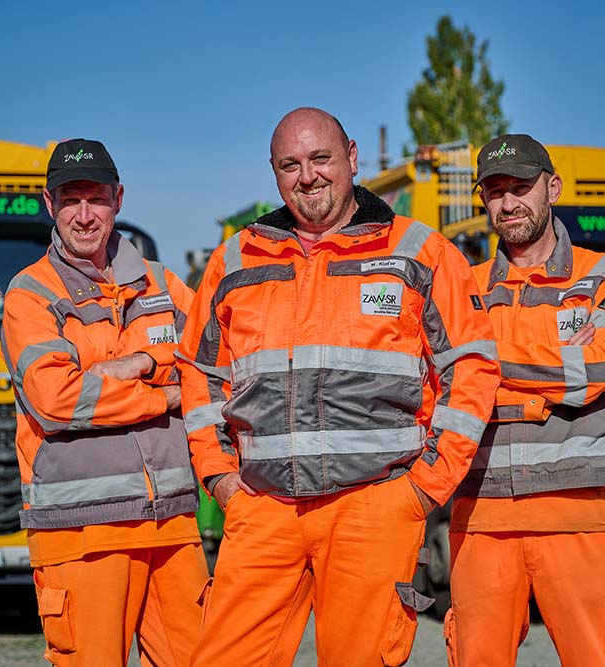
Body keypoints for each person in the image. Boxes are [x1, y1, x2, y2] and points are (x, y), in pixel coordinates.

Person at [177, 107, 500, 666]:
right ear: (274, 173)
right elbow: (201, 374)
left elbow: (469, 367)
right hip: (262, 509)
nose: (308, 176)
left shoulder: (419, 254)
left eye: (321, 158)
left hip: (374, 507)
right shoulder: (234, 260)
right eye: (290, 165)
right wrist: (221, 480)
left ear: (352, 157)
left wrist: (421, 490)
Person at [0, 138, 207, 667]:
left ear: (118, 198)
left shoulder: (162, 284)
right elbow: (56, 399)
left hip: (173, 525)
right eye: (71, 200)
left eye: (96, 198)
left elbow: (210, 370)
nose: (85, 215)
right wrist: (164, 393)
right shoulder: (31, 294)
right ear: (50, 205)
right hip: (81, 531)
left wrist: (138, 364)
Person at [445, 133, 605, 667]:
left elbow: (595, 368)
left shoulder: (604, 272)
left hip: (577, 509)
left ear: (552, 187)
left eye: (521, 188)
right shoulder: (463, 285)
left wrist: (484, 353)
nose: (508, 204)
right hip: (481, 513)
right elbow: (441, 381)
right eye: (495, 191)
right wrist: (551, 360)